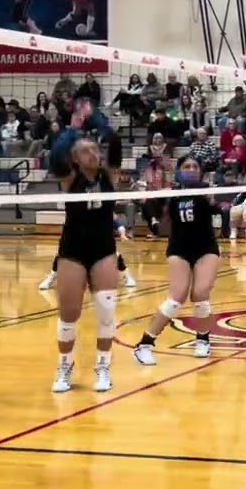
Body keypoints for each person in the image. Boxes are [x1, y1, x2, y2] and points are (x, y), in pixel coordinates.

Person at [48, 99, 122, 393]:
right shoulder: (70, 179)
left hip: (103, 248)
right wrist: (73, 129)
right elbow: (55, 157)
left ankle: (103, 365)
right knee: (69, 315)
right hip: (73, 250)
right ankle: (64, 366)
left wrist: (95, 118)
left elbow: (113, 140)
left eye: (95, 149)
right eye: (85, 150)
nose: (93, 153)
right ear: (75, 159)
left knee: (106, 310)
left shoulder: (109, 175)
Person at [132, 155, 221, 364]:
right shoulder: (172, 193)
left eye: (194, 166)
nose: (191, 169)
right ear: (180, 170)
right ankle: (144, 344)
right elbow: (151, 207)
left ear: (200, 171)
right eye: (186, 166)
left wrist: (213, 201)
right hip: (179, 248)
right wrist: (148, 203)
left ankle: (202, 339)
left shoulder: (205, 191)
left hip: (205, 247)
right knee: (176, 297)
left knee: (200, 293)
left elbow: (219, 209)